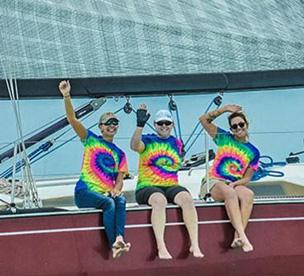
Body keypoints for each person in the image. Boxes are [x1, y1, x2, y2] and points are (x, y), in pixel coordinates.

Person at [58, 80, 130, 259]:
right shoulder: (91, 140)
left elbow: (119, 180)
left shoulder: (120, 154)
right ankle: (114, 243)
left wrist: (116, 190)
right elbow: (72, 120)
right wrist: (67, 95)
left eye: (115, 123)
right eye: (108, 123)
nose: (112, 125)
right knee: (109, 203)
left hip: (105, 193)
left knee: (120, 201)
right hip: (85, 193)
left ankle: (120, 238)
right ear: (101, 127)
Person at [130, 105, 204, 259]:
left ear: (172, 125)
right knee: (159, 200)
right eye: (160, 123)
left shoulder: (176, 143)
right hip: (147, 186)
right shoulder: (148, 139)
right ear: (155, 125)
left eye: (167, 123)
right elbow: (134, 146)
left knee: (187, 199)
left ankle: (195, 244)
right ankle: (161, 247)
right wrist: (139, 125)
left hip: (170, 185)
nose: (164, 126)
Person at [199, 104, 259, 253]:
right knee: (230, 193)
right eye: (234, 126)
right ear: (231, 129)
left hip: (233, 183)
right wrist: (224, 109)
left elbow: (247, 178)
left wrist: (235, 183)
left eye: (241, 124)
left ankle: (237, 236)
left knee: (248, 194)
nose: (238, 128)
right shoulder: (224, 138)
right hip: (214, 181)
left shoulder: (254, 152)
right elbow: (203, 120)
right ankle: (244, 237)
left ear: (247, 125)